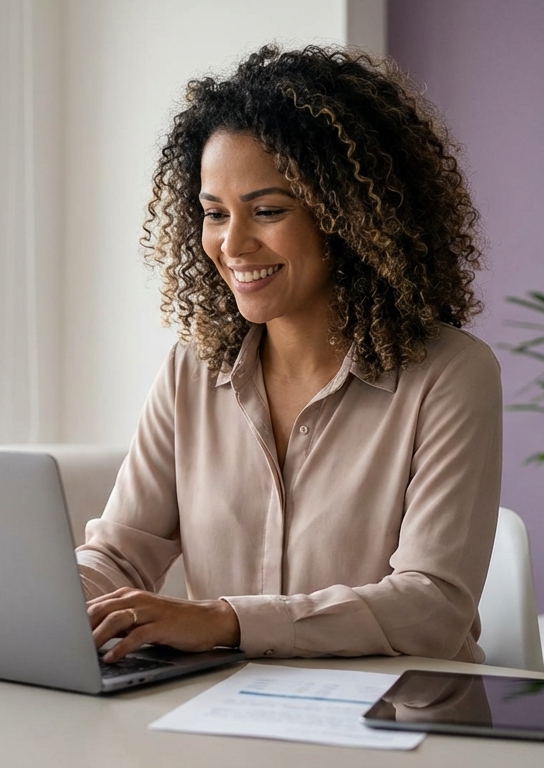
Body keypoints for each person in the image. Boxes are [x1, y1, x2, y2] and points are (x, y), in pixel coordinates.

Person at [79, 45, 502, 664]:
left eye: (268, 211)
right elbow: (119, 554)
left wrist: (225, 621)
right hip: (222, 718)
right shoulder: (193, 369)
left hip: (394, 723)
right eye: (214, 213)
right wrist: (37, 604)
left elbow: (432, 606)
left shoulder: (451, 375)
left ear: (349, 217)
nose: (233, 243)